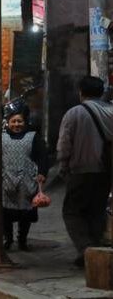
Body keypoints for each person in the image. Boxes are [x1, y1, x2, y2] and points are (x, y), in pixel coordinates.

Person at [57, 76, 113, 267]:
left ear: (81, 91)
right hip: (106, 171)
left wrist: (63, 167)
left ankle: (86, 249)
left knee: (72, 211)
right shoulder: (111, 112)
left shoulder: (74, 114)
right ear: (101, 91)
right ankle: (95, 250)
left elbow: (64, 145)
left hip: (80, 170)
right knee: (97, 210)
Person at [0, 106, 48, 250]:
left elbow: (42, 157)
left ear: (25, 122)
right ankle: (8, 239)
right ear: (8, 122)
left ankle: (22, 239)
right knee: (6, 214)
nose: (16, 124)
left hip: (27, 183)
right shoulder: (1, 137)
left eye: (19, 121)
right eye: (13, 121)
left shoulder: (33, 137)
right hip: (6, 182)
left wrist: (42, 172)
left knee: (25, 214)